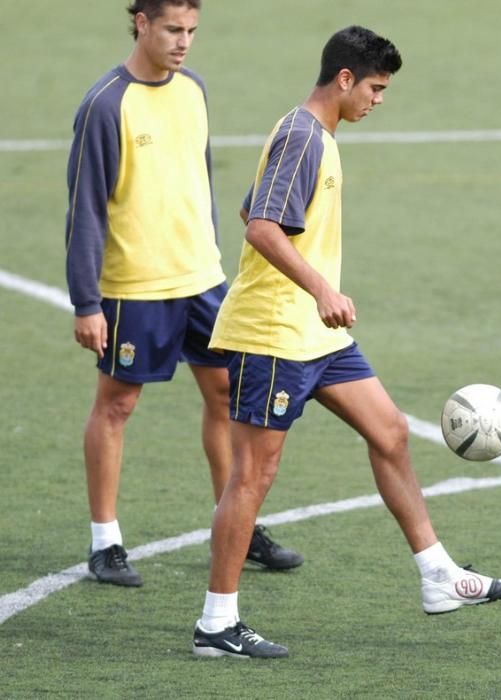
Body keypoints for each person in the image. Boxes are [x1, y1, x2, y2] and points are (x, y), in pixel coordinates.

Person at [191, 25, 501, 659]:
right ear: (344, 78)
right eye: (375, 87)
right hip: (274, 335)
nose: (378, 99)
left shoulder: (318, 137)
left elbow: (250, 210)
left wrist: (313, 294)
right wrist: (319, 286)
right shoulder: (302, 135)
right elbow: (261, 226)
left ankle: (438, 577)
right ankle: (215, 624)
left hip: (316, 336)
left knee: (391, 431)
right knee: (253, 477)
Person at [65, 0, 303, 588]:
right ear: (141, 23)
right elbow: (86, 210)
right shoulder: (104, 105)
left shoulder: (193, 89)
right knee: (117, 405)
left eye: (192, 30)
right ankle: (105, 542)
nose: (184, 42)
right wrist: (86, 302)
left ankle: (238, 528)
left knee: (225, 392)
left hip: (202, 279)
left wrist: (218, 260)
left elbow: (200, 184)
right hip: (134, 287)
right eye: (173, 29)